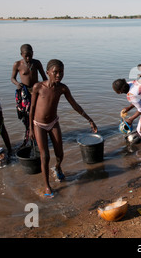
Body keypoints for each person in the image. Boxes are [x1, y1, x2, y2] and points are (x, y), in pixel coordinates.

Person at [29, 59, 97, 198]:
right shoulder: (38, 87)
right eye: (55, 72)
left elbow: (75, 105)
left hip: (53, 123)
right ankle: (47, 186)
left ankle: (58, 167)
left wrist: (89, 120)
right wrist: (30, 128)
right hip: (39, 125)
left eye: (61, 72)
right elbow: (32, 109)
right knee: (45, 156)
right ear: (48, 73)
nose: (59, 75)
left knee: (60, 154)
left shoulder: (62, 88)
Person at [11, 44, 47, 146]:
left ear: (33, 53)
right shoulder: (17, 64)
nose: (28, 58)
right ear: (21, 54)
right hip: (25, 92)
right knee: (26, 114)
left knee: (37, 113)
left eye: (30, 55)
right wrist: (18, 84)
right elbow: (12, 78)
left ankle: (38, 133)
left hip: (36, 90)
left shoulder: (36, 63)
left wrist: (47, 88)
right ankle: (29, 133)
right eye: (26, 55)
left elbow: (44, 77)